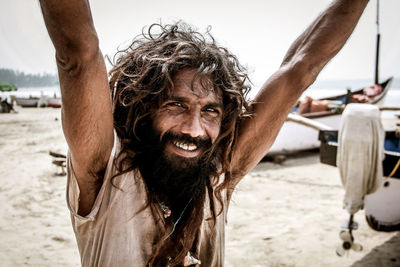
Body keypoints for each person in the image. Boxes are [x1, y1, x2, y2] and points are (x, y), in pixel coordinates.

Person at [39, 0, 369, 266]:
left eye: (209, 110)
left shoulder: (217, 177)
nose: (194, 128)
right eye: (176, 104)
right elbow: (77, 54)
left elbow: (302, 65)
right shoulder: (107, 177)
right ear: (145, 108)